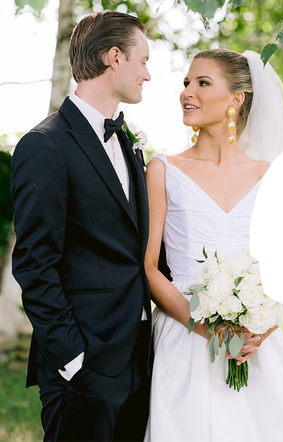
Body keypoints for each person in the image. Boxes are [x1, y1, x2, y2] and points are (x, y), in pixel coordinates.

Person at [143, 48, 283, 441]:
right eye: (186, 83)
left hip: (255, 345)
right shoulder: (163, 170)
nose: (187, 92)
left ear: (236, 99)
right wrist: (204, 328)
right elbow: (148, 268)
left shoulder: (271, 176)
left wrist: (262, 326)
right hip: (186, 339)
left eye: (202, 83)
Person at [11, 11, 153, 441]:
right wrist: (72, 358)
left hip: (137, 360)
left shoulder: (127, 144)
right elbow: (35, 265)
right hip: (83, 367)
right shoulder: (44, 144)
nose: (148, 74)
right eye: (142, 60)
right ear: (114, 57)